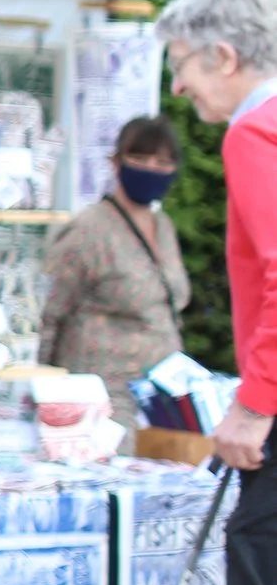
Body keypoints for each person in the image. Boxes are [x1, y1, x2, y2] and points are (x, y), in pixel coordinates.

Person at [153, 0, 277, 585]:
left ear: (223, 56)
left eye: (185, 70)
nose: (181, 91)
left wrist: (255, 404)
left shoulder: (254, 131)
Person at [37, 115, 189, 429]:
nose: (151, 169)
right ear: (116, 162)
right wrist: (42, 385)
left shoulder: (164, 227)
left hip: (161, 396)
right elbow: (49, 310)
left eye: (162, 162)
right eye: (139, 158)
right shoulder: (89, 229)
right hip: (104, 398)